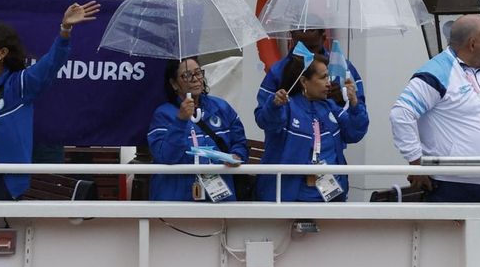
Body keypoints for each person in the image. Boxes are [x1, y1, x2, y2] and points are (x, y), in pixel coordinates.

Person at [0, 2, 100, 200]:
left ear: (3, 53)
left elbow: (51, 63)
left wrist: (65, 29)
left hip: (0, 182)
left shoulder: (20, 86)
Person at [390, 15, 480, 202]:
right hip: (453, 187)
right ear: (472, 44)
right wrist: (416, 164)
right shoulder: (435, 73)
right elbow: (401, 113)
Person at [256, 26, 365, 176]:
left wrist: (349, 102)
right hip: (291, 185)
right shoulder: (279, 74)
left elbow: (355, 130)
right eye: (302, 47)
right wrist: (275, 105)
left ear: (323, 38)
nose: (308, 55)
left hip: (330, 183)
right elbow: (265, 120)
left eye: (313, 48)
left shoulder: (341, 69)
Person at [258, 54, 367, 202]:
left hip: (331, 197)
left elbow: (354, 133)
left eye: (328, 77)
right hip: (290, 198)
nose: (329, 83)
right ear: (304, 81)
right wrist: (274, 105)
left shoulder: (330, 106)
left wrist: (355, 103)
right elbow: (268, 122)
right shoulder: (287, 107)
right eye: (323, 78)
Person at [146, 58, 248, 202]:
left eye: (198, 73)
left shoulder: (222, 108)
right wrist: (180, 121)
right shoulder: (163, 115)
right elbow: (166, 157)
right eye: (187, 75)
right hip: (176, 202)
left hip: (220, 199)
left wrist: (237, 154)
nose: (195, 79)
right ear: (174, 84)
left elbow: (240, 142)